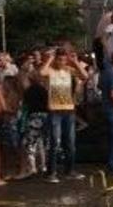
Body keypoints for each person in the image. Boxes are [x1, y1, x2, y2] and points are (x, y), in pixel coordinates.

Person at [38, 47, 89, 183]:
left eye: (64, 60)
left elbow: (85, 76)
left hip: (69, 109)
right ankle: (51, 173)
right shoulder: (51, 71)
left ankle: (70, 170)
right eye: (60, 59)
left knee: (70, 143)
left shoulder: (68, 70)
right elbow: (41, 72)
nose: (62, 62)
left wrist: (75, 62)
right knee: (55, 142)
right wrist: (50, 58)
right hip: (55, 110)